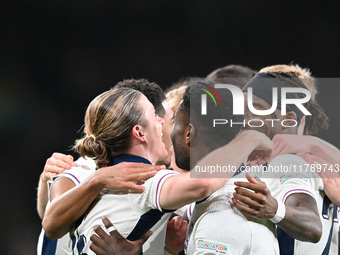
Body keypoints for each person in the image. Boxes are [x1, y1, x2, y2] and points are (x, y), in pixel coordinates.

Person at [64, 85, 272, 254]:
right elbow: (202, 183)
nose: (162, 122)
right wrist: (249, 139)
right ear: (139, 132)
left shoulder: (92, 186)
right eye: (154, 115)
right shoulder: (144, 180)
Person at [37, 79, 170, 254]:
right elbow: (51, 223)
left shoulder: (153, 177)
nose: (165, 125)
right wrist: (97, 179)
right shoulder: (89, 167)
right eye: (172, 120)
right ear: (139, 128)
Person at [234, 69, 336, 254]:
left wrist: (275, 210)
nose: (242, 118)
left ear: (289, 119)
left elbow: (311, 226)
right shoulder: (323, 168)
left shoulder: (287, 163)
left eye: (254, 108)